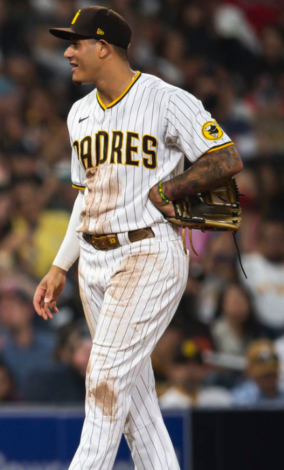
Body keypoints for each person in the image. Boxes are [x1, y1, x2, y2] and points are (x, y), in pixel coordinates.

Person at [35, 6, 243, 469]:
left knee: (104, 377)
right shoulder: (79, 114)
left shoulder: (166, 99)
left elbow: (225, 157)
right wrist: (59, 265)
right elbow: (85, 197)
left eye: (76, 43)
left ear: (103, 47)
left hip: (149, 250)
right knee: (135, 402)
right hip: (93, 260)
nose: (67, 52)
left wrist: (171, 188)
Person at [231, 339, 284, 406]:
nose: (269, 380)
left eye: (272, 374)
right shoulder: (241, 400)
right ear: (250, 373)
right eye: (264, 376)